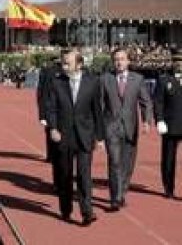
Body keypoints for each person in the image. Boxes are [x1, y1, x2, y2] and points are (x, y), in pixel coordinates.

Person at [47, 49, 104, 226]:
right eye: (63, 63)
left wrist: (100, 138)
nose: (64, 66)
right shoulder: (56, 82)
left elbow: (97, 111)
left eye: (68, 63)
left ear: (79, 64)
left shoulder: (93, 82)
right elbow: (51, 108)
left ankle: (87, 211)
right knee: (65, 175)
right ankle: (65, 209)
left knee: (84, 175)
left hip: (85, 135)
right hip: (64, 135)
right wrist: (53, 128)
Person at [100, 48, 153, 212]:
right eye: (116, 59)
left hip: (131, 127)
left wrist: (146, 121)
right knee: (114, 162)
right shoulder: (105, 79)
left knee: (128, 164)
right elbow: (100, 105)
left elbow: (146, 102)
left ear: (128, 61)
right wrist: (98, 131)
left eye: (122, 59)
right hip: (111, 127)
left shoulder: (138, 79)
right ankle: (115, 198)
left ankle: (122, 192)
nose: (119, 62)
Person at [154, 52, 182, 199]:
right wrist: (159, 120)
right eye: (176, 61)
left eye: (181, 61)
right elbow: (158, 102)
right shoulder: (164, 80)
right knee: (169, 158)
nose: (179, 64)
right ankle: (168, 187)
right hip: (171, 124)